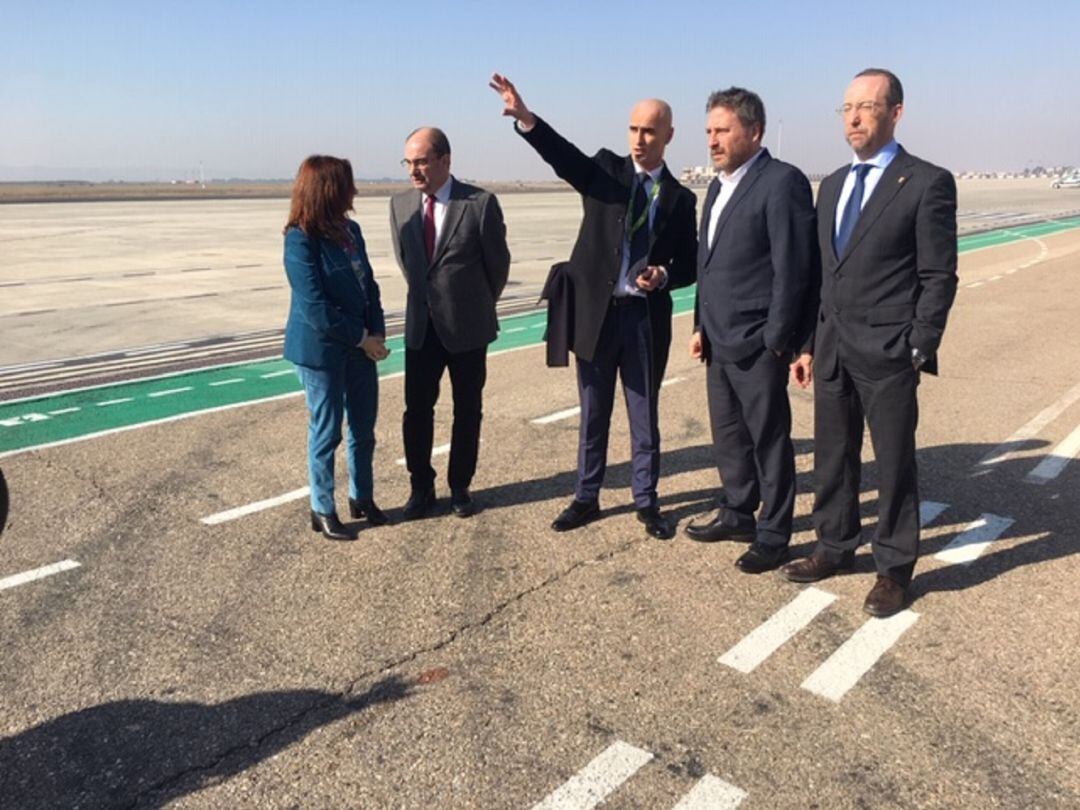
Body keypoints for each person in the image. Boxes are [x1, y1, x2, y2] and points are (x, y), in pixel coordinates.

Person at [489, 73, 698, 540]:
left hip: (644, 320)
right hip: (598, 318)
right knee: (593, 414)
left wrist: (663, 275)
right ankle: (587, 496)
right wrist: (526, 119)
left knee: (645, 417)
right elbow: (563, 157)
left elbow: (690, 261)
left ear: (668, 135)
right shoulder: (607, 172)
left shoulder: (681, 198)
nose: (639, 139)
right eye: (633, 130)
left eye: (649, 131)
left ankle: (647, 501)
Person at [782, 68, 958, 616]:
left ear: (895, 112)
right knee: (833, 457)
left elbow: (938, 275)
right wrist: (808, 344)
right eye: (846, 108)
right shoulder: (832, 184)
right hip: (832, 346)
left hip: (889, 353)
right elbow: (821, 275)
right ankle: (834, 545)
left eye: (867, 106)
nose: (853, 117)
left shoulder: (925, 182)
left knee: (895, 462)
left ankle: (894, 569)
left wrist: (918, 345)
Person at [684, 88, 819, 574]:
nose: (713, 141)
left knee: (769, 439)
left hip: (760, 339)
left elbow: (795, 269)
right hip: (718, 337)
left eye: (722, 131)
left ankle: (774, 530)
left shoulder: (781, 183)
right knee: (728, 437)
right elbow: (709, 262)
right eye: (709, 132)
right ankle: (738, 512)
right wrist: (700, 321)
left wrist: (778, 341)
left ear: (754, 132)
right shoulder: (718, 186)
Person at [390, 127, 511, 520]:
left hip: (468, 328)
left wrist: (472, 305)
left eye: (422, 161)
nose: (414, 170)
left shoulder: (478, 204)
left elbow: (498, 266)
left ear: (445, 160)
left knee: (467, 409)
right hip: (421, 329)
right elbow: (408, 265)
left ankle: (460, 486)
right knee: (417, 411)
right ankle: (420, 487)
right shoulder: (400, 205)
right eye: (409, 162)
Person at [283, 155, 390, 541]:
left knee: (364, 427)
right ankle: (322, 508)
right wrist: (362, 338)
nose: (354, 191)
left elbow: (369, 286)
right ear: (329, 189)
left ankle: (362, 497)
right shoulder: (300, 239)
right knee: (327, 431)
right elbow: (314, 308)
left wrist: (376, 331)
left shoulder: (351, 231)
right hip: (322, 351)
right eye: (348, 184)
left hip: (361, 346)